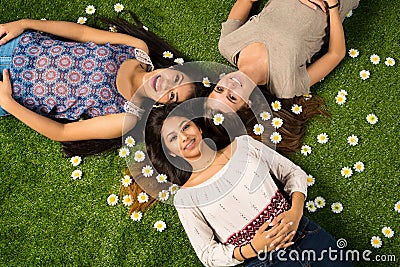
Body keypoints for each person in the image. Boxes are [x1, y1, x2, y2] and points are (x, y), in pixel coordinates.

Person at [123, 104, 352, 267]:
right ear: (170, 152)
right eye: (173, 138)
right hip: (262, 261)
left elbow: (293, 173)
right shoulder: (186, 198)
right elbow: (207, 254)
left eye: (185, 127)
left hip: (304, 232)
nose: (184, 137)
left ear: (198, 127)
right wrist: (253, 248)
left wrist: (296, 211)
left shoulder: (244, 145)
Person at [0, 12, 207, 156]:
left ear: (162, 105)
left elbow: (61, 132)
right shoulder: (137, 49)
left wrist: (8, 103)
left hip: (9, 89)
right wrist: (26, 23)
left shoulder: (125, 117)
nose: (166, 84)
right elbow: (82, 34)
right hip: (16, 44)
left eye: (172, 95)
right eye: (177, 78)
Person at [213, 0, 359, 100]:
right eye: (232, 97)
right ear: (247, 105)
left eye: (219, 89)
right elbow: (335, 54)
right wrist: (333, 6)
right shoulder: (286, 86)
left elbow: (246, 1)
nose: (229, 86)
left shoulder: (227, 45)